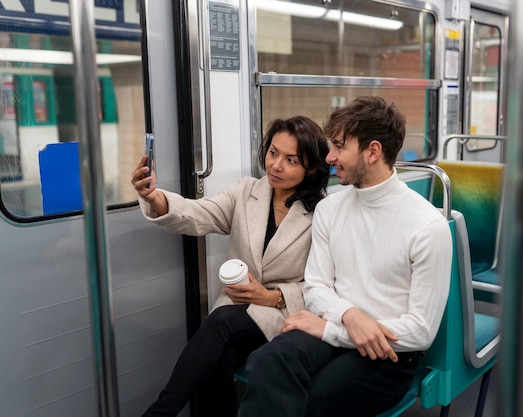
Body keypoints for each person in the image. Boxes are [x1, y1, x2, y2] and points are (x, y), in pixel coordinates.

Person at [237, 96, 453, 417]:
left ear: (373, 151)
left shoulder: (427, 226)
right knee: (264, 361)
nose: (330, 156)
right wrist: (351, 317)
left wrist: (332, 330)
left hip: (388, 354)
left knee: (310, 400)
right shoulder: (329, 208)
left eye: (339, 146)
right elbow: (316, 288)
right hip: (335, 327)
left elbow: (420, 331)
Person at [132, 116, 330, 417]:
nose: (276, 165)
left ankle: (160, 412)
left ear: (312, 168)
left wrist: (274, 297)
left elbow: (328, 283)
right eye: (273, 152)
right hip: (238, 315)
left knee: (220, 321)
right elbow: (198, 213)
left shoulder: (323, 212)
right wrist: (154, 196)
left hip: (286, 315)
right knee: (217, 359)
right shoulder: (246, 191)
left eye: (291, 160)